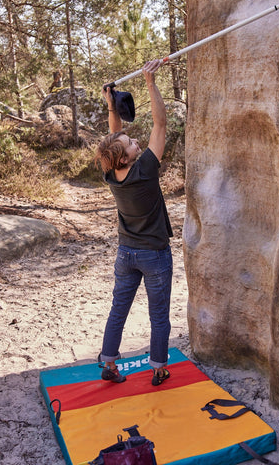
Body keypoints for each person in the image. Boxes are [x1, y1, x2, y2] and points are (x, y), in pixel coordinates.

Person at [94, 59, 173, 386]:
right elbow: (160, 124)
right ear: (125, 157)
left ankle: (109, 364)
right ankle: (158, 368)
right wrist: (150, 81)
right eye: (130, 145)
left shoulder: (111, 172)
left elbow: (114, 135)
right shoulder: (145, 171)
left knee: (118, 311)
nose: (133, 140)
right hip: (154, 254)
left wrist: (112, 105)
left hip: (126, 254)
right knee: (159, 317)